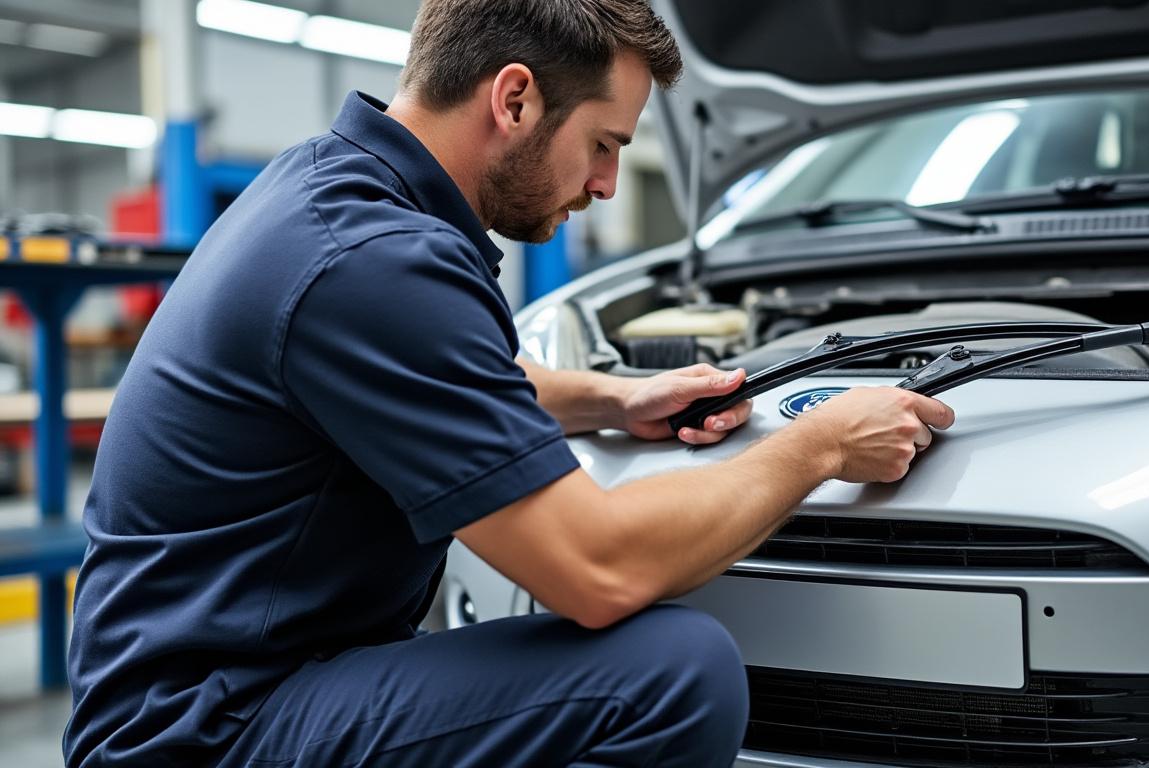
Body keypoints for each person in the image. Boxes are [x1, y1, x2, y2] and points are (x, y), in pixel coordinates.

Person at [63, 1, 955, 766]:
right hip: (206, 730)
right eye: (604, 144)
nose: (608, 184)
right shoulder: (374, 262)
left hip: (213, 682)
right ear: (516, 97)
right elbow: (596, 571)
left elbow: (444, 376)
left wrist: (610, 398)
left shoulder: (334, 188)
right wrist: (821, 443)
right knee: (671, 675)